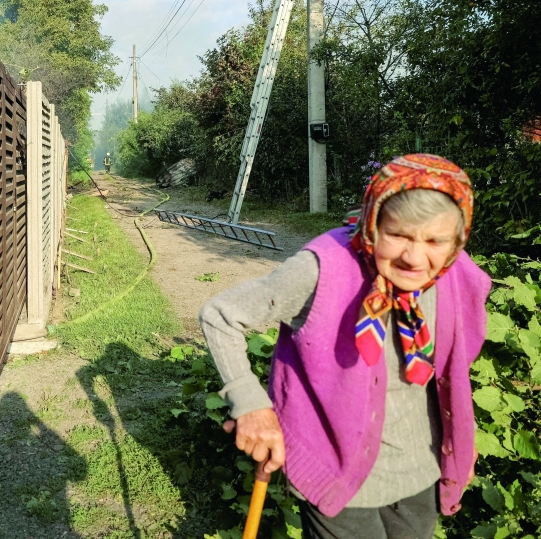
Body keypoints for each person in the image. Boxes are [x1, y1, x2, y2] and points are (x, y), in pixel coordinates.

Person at [199, 154, 490, 539]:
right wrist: (251, 405)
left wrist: (459, 444)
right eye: (399, 235)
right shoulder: (324, 268)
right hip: (335, 464)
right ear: (373, 222)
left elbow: (454, 372)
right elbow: (222, 315)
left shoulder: (457, 276)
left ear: (457, 240)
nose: (414, 257)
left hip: (421, 466)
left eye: (435, 240)